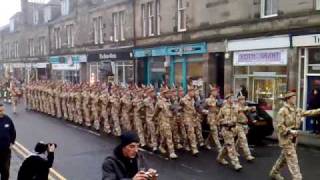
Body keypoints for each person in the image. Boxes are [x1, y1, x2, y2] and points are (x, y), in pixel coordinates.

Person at [270, 91, 320, 180]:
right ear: (288, 99)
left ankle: (274, 173)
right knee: (293, 161)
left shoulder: (296, 109)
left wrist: (318, 110)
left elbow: (308, 113)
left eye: (295, 98)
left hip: (294, 139)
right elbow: (280, 127)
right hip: (286, 139)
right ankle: (297, 178)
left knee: (284, 158)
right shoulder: (283, 111)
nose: (295, 99)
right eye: (293, 98)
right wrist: (290, 131)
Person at [0, 103, 16, 180]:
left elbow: (13, 132)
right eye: (0, 111)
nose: (2, 112)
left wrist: (12, 142)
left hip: (6, 151)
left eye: (3, 110)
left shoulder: (7, 119)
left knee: (5, 170)